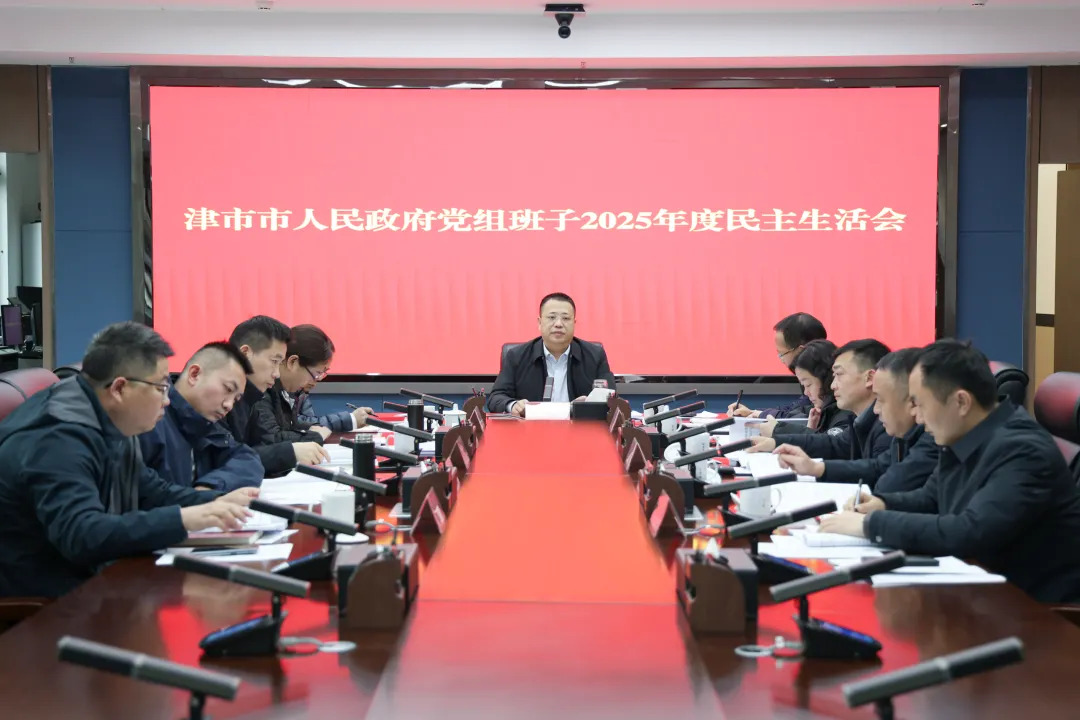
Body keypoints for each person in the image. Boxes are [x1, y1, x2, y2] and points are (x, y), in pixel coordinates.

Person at [0, 322, 256, 598]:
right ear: (120, 388)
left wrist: (217, 503)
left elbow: (151, 491)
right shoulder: (58, 437)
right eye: (160, 388)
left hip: (96, 577)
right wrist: (184, 519)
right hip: (49, 599)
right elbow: (82, 535)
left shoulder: (108, 416)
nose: (167, 400)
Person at [818, 339, 1080, 603]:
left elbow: (970, 531)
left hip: (1033, 609)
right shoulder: (963, 433)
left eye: (921, 404)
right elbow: (931, 497)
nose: (918, 418)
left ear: (961, 402)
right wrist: (882, 504)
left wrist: (870, 524)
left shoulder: (1023, 450)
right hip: (980, 590)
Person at [775, 348, 939, 492]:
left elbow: (887, 484)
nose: (832, 385)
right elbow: (877, 467)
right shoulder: (879, 426)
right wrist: (815, 468)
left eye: (839, 375)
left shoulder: (924, 438)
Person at [139, 341, 264, 492]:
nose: (229, 405)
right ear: (194, 374)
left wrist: (209, 487)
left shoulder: (204, 425)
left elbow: (248, 459)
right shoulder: (148, 420)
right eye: (228, 389)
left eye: (236, 399)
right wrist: (198, 499)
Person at [751, 339, 891, 457]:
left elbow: (873, 469)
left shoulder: (887, 425)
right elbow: (835, 445)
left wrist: (778, 433)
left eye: (839, 375)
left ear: (869, 378)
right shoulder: (862, 421)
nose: (833, 385)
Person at [224, 315, 325, 477]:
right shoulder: (215, 397)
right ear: (245, 354)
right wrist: (289, 452)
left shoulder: (249, 397)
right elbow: (224, 460)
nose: (277, 374)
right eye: (274, 361)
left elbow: (252, 448)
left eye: (279, 363)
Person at [487, 292, 616, 416]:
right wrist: (513, 405)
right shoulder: (516, 356)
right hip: (531, 428)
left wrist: (589, 405)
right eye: (551, 317)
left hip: (578, 427)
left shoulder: (594, 355)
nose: (558, 324)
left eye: (566, 318)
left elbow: (611, 398)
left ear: (574, 323)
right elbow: (496, 398)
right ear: (539, 322)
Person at [249, 324, 339, 474]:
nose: (315, 382)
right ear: (292, 362)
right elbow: (270, 438)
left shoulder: (290, 391)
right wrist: (313, 436)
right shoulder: (262, 387)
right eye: (317, 373)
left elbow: (288, 427)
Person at [728, 312, 827, 419]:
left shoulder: (824, 378)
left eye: (782, 353)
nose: (781, 359)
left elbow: (802, 415)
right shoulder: (812, 372)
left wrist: (760, 414)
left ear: (801, 351)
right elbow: (797, 408)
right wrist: (753, 412)